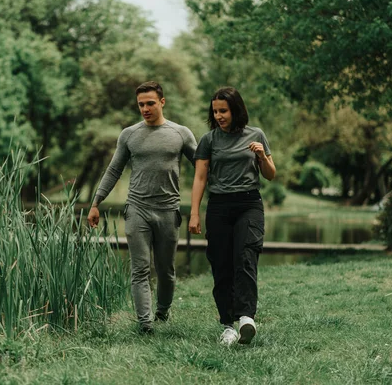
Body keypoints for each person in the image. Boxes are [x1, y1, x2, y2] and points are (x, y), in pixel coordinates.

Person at [88, 81, 197, 334]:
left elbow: (203, 165)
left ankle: (163, 311)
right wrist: (96, 202)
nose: (145, 108)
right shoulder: (129, 135)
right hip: (137, 208)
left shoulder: (181, 133)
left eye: (150, 103)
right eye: (141, 105)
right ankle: (145, 323)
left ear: (162, 102)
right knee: (140, 268)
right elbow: (114, 169)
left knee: (166, 270)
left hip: (169, 210)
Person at [189, 86, 276, 345]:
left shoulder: (256, 135)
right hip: (218, 206)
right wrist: (194, 213)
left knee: (246, 257)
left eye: (223, 110)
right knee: (222, 265)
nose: (218, 115)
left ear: (235, 109)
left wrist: (261, 156)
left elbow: (271, 174)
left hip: (249, 203)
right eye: (215, 111)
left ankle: (246, 318)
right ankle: (228, 326)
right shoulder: (209, 140)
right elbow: (200, 177)